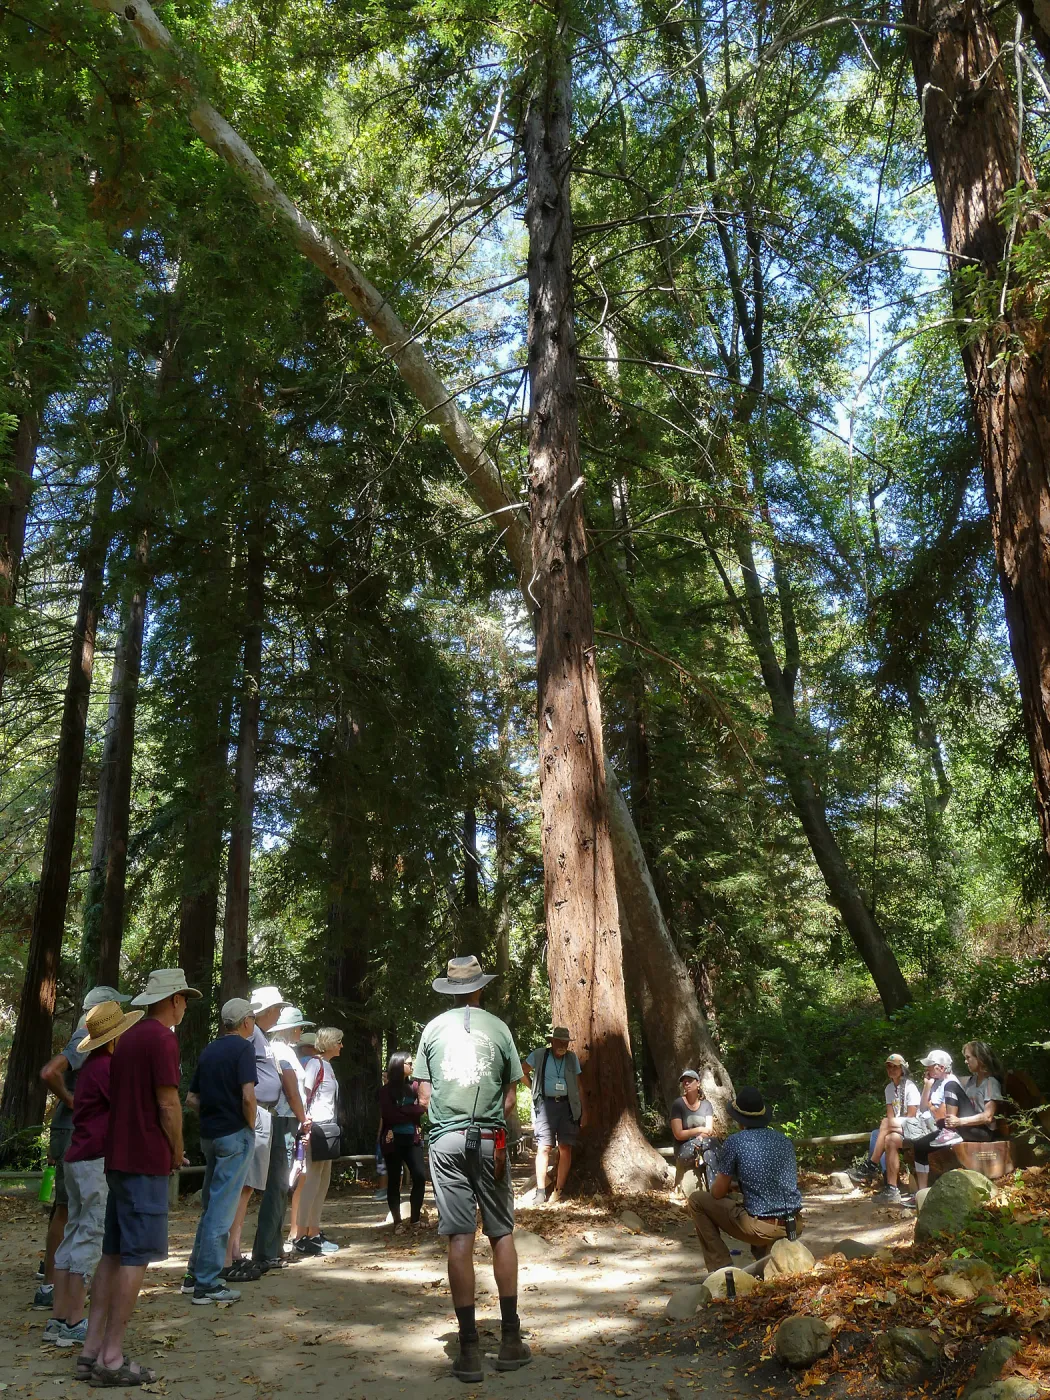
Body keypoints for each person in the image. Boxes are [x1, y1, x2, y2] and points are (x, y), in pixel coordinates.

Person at [79, 968, 199, 1386]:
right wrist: (177, 1149)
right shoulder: (162, 1039)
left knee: (112, 1253)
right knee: (135, 1256)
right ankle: (111, 1357)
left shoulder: (127, 1038)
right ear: (174, 1000)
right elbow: (168, 1104)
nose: (184, 1007)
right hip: (144, 1161)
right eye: (184, 999)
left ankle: (91, 1349)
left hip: (119, 1158)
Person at [414, 955, 530, 1383]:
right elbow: (510, 1098)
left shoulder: (432, 1030)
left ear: (451, 990)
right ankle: (511, 1340)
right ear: (479, 988)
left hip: (446, 1142)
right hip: (490, 1141)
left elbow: (424, 1098)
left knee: (460, 1237)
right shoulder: (498, 1028)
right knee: (501, 1232)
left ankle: (467, 1350)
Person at [43, 1000, 142, 1350]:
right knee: (90, 1233)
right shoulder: (106, 1068)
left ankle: (59, 1317)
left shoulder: (89, 1067)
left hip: (76, 1157)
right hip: (93, 1160)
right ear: (114, 1036)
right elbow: (126, 1111)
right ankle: (73, 1320)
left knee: (74, 1233)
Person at [182, 999, 259, 1303]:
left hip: (210, 1137)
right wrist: (249, 1124)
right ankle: (207, 1283)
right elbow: (248, 1096)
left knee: (210, 1207)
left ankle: (193, 1275)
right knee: (222, 1211)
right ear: (245, 1022)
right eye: (252, 1018)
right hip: (235, 1136)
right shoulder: (244, 1049)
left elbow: (191, 1098)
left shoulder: (209, 1050)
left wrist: (213, 1113)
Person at [687, 1086, 803, 1273]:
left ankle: (721, 1268)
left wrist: (728, 1186)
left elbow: (717, 1193)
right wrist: (740, 1185)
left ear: (740, 1120)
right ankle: (765, 1264)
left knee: (697, 1200)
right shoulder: (784, 1140)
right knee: (753, 1205)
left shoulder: (735, 1142)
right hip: (794, 1224)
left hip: (762, 1228)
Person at [224, 986, 286, 1273]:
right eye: (278, 1009)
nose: (279, 1014)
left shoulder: (260, 1036)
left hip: (262, 1113)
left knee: (248, 1186)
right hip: (256, 1111)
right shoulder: (250, 1038)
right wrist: (250, 1116)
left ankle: (234, 1249)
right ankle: (231, 1251)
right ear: (266, 1011)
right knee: (245, 1185)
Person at [259, 1005, 313, 1263]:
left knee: (282, 1185)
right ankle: (266, 1251)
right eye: (299, 1027)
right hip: (284, 1122)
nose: (301, 1031)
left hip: (287, 1121)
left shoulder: (281, 1050)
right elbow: (291, 1091)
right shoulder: (282, 1052)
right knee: (278, 1185)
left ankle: (275, 1247)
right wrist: (304, 1119)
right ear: (289, 1029)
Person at [847, 1053, 921, 1205]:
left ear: (902, 1069)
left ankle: (871, 1166)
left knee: (884, 1125)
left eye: (895, 1067)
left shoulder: (910, 1087)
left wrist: (891, 1125)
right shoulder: (889, 1089)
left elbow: (912, 1116)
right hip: (898, 1127)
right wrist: (891, 1126)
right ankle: (890, 1186)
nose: (891, 1069)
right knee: (881, 1135)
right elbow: (890, 1115)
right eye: (888, 1066)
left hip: (914, 1127)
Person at [296, 1027, 344, 1256]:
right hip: (315, 1128)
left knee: (323, 1182)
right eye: (339, 1041)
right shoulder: (315, 1064)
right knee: (312, 1182)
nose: (341, 1046)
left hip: (328, 1129)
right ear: (330, 1043)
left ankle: (314, 1232)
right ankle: (301, 1236)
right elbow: (304, 1096)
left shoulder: (328, 1066)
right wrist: (304, 1127)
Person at [523, 1027, 583, 1205]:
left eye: (566, 1042)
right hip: (545, 1105)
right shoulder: (540, 1055)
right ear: (552, 1041)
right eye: (559, 1041)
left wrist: (583, 1110)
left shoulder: (571, 1058)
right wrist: (533, 1088)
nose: (563, 1045)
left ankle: (558, 1190)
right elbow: (521, 1071)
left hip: (567, 1106)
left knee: (565, 1147)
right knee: (544, 1147)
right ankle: (541, 1191)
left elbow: (578, 1085)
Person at [378, 1051, 427, 1228]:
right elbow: (390, 1115)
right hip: (392, 1141)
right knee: (393, 1180)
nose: (412, 1067)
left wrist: (405, 1110)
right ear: (399, 1065)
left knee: (420, 1177)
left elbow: (422, 1108)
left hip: (412, 1139)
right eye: (409, 1063)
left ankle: (415, 1219)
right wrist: (411, 1110)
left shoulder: (414, 1087)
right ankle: (397, 1221)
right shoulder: (385, 1091)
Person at [670, 1069, 717, 1195]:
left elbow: (709, 1130)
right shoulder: (678, 1105)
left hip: (703, 1145)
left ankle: (714, 1193)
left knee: (710, 1154)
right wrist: (699, 1130)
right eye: (684, 1082)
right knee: (712, 1143)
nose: (686, 1083)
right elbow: (678, 1134)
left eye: (690, 1081)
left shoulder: (706, 1105)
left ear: (698, 1083)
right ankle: (723, 1186)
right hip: (683, 1151)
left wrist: (700, 1137)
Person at [956, 1041, 1006, 1134]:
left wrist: (959, 1121)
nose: (965, 1061)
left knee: (951, 1085)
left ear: (980, 1058)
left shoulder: (990, 1083)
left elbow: (988, 1116)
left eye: (968, 1057)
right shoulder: (971, 1081)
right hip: (970, 1126)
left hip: (985, 1130)